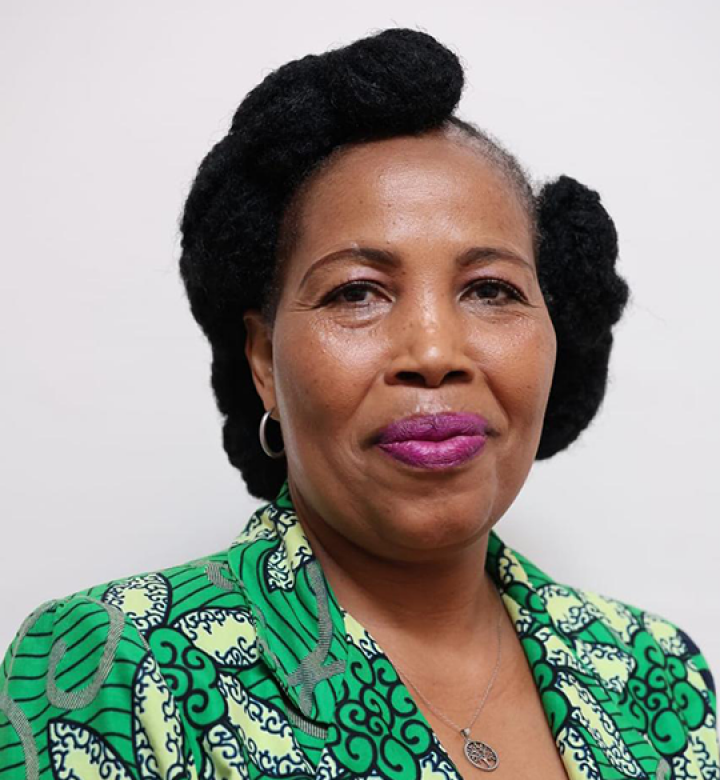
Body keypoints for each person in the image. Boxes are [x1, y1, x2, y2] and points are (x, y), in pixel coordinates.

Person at [0, 26, 717, 780]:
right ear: (263, 361)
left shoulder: (654, 670)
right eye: (355, 293)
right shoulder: (111, 668)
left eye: (490, 290)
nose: (434, 352)